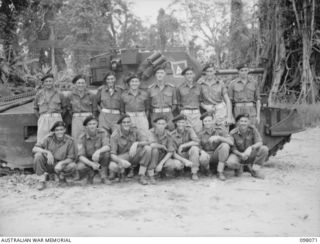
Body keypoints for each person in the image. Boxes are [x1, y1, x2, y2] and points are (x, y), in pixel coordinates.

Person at [109, 114, 152, 185]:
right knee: (112, 165)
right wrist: (121, 161)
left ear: (131, 123)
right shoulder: (115, 135)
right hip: (122, 157)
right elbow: (112, 154)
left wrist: (136, 143)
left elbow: (147, 141)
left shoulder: (135, 130)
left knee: (147, 148)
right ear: (120, 124)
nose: (126, 124)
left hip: (134, 155)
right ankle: (121, 173)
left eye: (128, 122)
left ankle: (141, 175)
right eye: (124, 122)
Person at [32, 121, 76, 190]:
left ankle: (61, 177)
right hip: (50, 163)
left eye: (61, 129)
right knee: (38, 155)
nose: (59, 132)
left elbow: (71, 158)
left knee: (72, 165)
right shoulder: (48, 138)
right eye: (57, 130)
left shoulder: (70, 141)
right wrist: (47, 152)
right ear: (54, 131)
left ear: (65, 130)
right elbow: (35, 148)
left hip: (60, 165)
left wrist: (61, 163)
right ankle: (41, 180)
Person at [226, 113, 268, 179]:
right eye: (241, 121)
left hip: (250, 153)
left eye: (245, 121)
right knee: (230, 163)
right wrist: (241, 154)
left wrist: (251, 147)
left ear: (248, 122)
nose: (243, 123)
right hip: (238, 155)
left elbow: (260, 142)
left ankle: (255, 170)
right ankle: (239, 167)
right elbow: (233, 148)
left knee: (264, 149)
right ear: (238, 123)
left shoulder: (253, 130)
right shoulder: (233, 133)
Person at [198, 112, 234, 181]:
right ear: (203, 122)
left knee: (225, 145)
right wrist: (202, 152)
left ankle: (220, 172)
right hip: (206, 155)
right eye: (205, 121)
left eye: (209, 121)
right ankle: (207, 170)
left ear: (213, 121)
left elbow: (231, 142)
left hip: (216, 154)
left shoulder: (220, 129)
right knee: (202, 157)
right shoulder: (200, 132)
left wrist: (219, 137)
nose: (207, 123)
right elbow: (197, 145)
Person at [75, 116, 111, 185]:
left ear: (97, 124)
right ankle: (90, 175)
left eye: (94, 124)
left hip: (100, 159)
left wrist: (98, 151)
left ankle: (104, 176)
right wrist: (91, 164)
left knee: (106, 154)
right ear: (86, 126)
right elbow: (80, 156)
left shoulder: (102, 132)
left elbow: (108, 146)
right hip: (88, 160)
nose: (92, 126)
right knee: (80, 167)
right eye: (90, 124)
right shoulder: (82, 137)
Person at [34, 74, 67, 143]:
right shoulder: (39, 94)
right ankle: (42, 153)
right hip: (43, 119)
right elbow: (35, 108)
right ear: (43, 83)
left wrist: (59, 117)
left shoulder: (59, 93)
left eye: (50, 81)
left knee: (57, 139)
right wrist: (40, 118)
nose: (48, 83)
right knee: (42, 140)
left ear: (53, 82)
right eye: (46, 81)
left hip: (56, 118)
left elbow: (64, 107)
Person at [149, 116, 183, 180]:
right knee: (154, 150)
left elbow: (170, 151)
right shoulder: (151, 132)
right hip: (151, 158)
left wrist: (161, 164)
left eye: (163, 124)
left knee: (177, 164)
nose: (161, 126)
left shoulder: (168, 134)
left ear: (166, 125)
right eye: (159, 124)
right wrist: (161, 146)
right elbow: (151, 145)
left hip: (162, 157)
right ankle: (151, 172)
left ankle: (162, 171)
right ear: (155, 124)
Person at [66, 75, 97, 144]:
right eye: (79, 83)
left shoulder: (91, 95)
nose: (81, 85)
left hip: (88, 117)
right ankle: (78, 154)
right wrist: (74, 116)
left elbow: (94, 109)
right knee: (76, 137)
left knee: (89, 136)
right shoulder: (70, 95)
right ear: (75, 84)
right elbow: (69, 108)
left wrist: (92, 119)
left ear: (85, 84)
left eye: (82, 83)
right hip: (76, 118)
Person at [170, 114, 200, 180]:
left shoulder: (189, 130)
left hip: (189, 154)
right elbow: (173, 153)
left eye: (183, 122)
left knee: (194, 148)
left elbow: (196, 141)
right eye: (179, 122)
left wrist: (183, 145)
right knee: (177, 164)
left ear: (186, 123)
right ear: (175, 123)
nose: (181, 124)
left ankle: (194, 172)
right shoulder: (172, 135)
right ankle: (179, 170)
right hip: (179, 157)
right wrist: (185, 161)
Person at [148, 65, 177, 130]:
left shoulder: (171, 88)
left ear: (165, 74)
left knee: (171, 130)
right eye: (158, 73)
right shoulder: (150, 89)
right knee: (156, 132)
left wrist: (167, 111)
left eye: (161, 73)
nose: (159, 75)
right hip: (155, 114)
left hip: (168, 114)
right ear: (155, 75)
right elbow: (148, 104)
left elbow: (174, 104)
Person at [177, 67, 202, 134]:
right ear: (184, 76)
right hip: (185, 113)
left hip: (196, 113)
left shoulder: (199, 86)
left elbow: (201, 100)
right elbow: (178, 103)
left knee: (198, 133)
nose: (189, 75)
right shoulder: (179, 87)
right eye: (187, 74)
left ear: (193, 75)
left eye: (191, 74)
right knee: (186, 133)